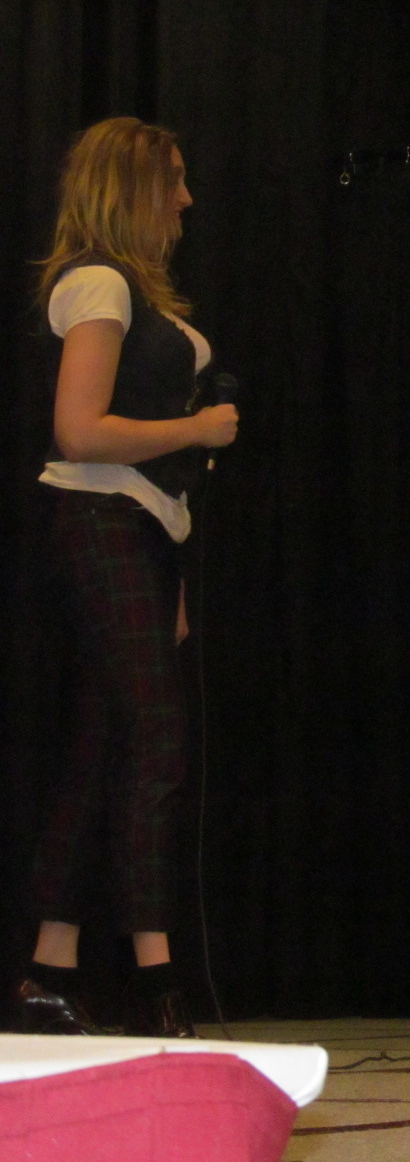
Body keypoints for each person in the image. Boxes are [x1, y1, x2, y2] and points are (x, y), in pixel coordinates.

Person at [5, 117, 238, 1037]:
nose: (186, 199)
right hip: (99, 521)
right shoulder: (99, 283)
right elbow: (80, 429)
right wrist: (197, 429)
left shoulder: (128, 290)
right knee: (154, 743)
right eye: (173, 180)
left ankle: (47, 970)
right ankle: (156, 974)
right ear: (133, 187)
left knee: (106, 744)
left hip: (138, 529)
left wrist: (171, 565)